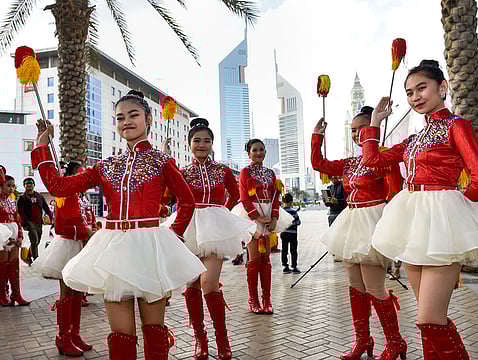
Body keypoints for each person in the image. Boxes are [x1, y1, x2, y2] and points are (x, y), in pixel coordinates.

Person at [31, 90, 206, 360]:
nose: (126, 121)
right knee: (120, 337)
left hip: (149, 248)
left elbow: (187, 202)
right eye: (120, 117)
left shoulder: (162, 161)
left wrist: (174, 236)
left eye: (133, 115)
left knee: (154, 332)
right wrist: (42, 144)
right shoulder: (106, 165)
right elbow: (58, 186)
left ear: (148, 119)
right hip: (113, 248)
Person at [361, 60, 478, 359]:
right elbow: (373, 161)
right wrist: (375, 122)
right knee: (429, 322)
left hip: (443, 224)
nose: (415, 97)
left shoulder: (457, 125)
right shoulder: (414, 140)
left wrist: (457, 204)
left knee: (428, 317)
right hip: (414, 224)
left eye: (422, 88)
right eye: (409, 92)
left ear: (443, 87)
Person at [312, 106, 406, 360]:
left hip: (374, 222)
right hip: (351, 223)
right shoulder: (350, 162)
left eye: (361, 129)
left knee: (375, 288)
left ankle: (395, 342)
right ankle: (363, 341)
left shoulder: (383, 160)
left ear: (373, 128)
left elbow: (395, 195)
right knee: (355, 287)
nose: (356, 135)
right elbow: (318, 164)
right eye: (353, 131)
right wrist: (316, 136)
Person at [167, 118, 255, 360]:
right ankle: (200, 340)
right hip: (188, 226)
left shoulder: (223, 170)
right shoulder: (182, 172)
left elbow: (235, 195)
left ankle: (222, 340)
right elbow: (170, 196)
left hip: (214, 229)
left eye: (206, 140)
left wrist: (220, 213)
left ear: (213, 144)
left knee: (209, 284)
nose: (202, 145)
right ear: (189, 144)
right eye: (197, 140)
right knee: (192, 284)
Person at [33, 161, 94, 356]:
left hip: (79, 245)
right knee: (67, 293)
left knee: (77, 292)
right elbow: (60, 227)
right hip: (68, 247)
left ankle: (74, 334)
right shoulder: (64, 194)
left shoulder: (79, 196)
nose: (83, 179)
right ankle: (63, 337)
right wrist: (87, 231)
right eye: (80, 175)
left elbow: (83, 219)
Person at [232, 139, 293, 315]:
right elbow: (244, 198)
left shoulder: (271, 173)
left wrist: (274, 217)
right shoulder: (245, 172)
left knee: (266, 260)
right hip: (251, 216)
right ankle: (253, 300)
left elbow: (275, 196)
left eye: (261, 150)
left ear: (265, 152)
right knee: (254, 260)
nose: (258, 153)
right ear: (248, 153)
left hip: (269, 216)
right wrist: (258, 218)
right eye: (254, 150)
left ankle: (267, 300)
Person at [0, 174, 30, 306]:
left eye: (13, 186)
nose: (12, 188)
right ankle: (2, 294)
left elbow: (18, 220)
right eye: (8, 186)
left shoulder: (13, 201)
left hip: (13, 235)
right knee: (2, 266)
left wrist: (20, 236)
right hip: (2, 236)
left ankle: (16, 294)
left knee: (14, 265)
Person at [17, 177, 53, 262]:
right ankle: (36, 258)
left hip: (39, 222)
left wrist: (51, 217)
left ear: (34, 185)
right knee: (34, 239)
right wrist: (26, 222)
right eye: (27, 184)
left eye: (31, 183)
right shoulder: (22, 197)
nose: (29, 185)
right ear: (24, 186)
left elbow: (46, 207)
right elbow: (21, 212)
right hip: (29, 222)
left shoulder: (39, 195)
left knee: (37, 241)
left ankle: (29, 256)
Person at [280, 193, 301, 274]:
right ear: (291, 201)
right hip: (293, 234)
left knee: (284, 250)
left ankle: (285, 266)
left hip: (284, 233)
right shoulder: (293, 211)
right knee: (293, 250)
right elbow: (298, 222)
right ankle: (294, 266)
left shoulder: (281, 211)